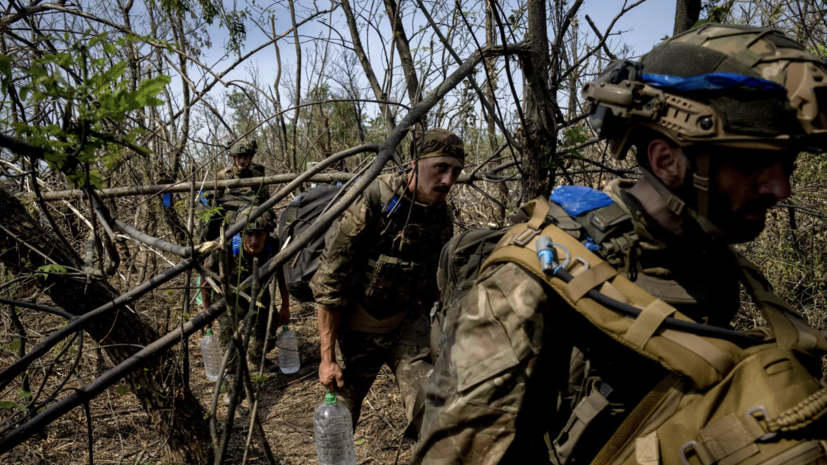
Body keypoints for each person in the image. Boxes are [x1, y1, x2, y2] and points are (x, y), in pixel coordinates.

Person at [412, 24, 827, 464]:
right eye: (753, 162)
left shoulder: (708, 255)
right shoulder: (531, 278)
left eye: (788, 163)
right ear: (665, 160)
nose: (781, 187)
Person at [310, 128, 465, 431]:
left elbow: (436, 281)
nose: (448, 180)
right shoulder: (372, 201)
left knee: (432, 408)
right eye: (440, 168)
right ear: (415, 163)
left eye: (456, 171)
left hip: (407, 325)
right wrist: (326, 358)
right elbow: (330, 283)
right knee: (339, 420)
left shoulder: (442, 216)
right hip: (356, 329)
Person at [200, 207, 290, 371]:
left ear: (267, 233)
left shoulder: (273, 245)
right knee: (230, 344)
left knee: (268, 336)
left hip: (260, 297)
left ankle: (256, 357)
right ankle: (234, 379)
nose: (253, 241)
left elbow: (281, 275)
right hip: (227, 300)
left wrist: (285, 305)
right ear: (240, 233)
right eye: (249, 234)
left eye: (259, 234)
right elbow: (206, 274)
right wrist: (206, 309)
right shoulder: (225, 247)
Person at [200, 138, 269, 243]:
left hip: (251, 212)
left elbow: (265, 201)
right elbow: (215, 197)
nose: (242, 161)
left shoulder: (258, 176)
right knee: (209, 229)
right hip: (228, 213)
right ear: (233, 157)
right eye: (239, 157)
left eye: (245, 158)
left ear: (251, 158)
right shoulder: (223, 175)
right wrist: (209, 199)